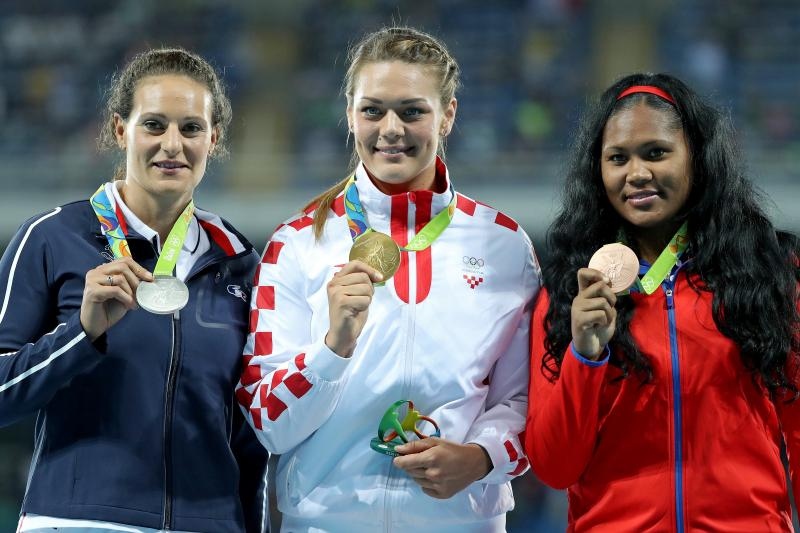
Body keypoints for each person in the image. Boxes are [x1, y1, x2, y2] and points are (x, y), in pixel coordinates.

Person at [235, 27, 540, 532]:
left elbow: (527, 400)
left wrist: (480, 457)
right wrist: (333, 348)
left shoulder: (504, 245)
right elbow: (269, 422)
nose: (391, 128)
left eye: (412, 111)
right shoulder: (296, 243)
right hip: (324, 523)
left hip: (458, 523)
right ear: (350, 114)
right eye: (373, 110)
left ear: (448, 116)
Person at [0, 48, 268, 532]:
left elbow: (248, 434)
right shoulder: (54, 237)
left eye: (190, 128)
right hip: (80, 520)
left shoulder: (240, 264)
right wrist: (81, 335)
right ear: (121, 129)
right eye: (154, 124)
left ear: (214, 138)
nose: (172, 144)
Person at [525, 72, 800, 531]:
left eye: (656, 153)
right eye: (618, 158)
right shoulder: (569, 289)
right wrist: (584, 354)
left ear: (697, 157)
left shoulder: (767, 271)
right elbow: (554, 467)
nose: (636, 174)